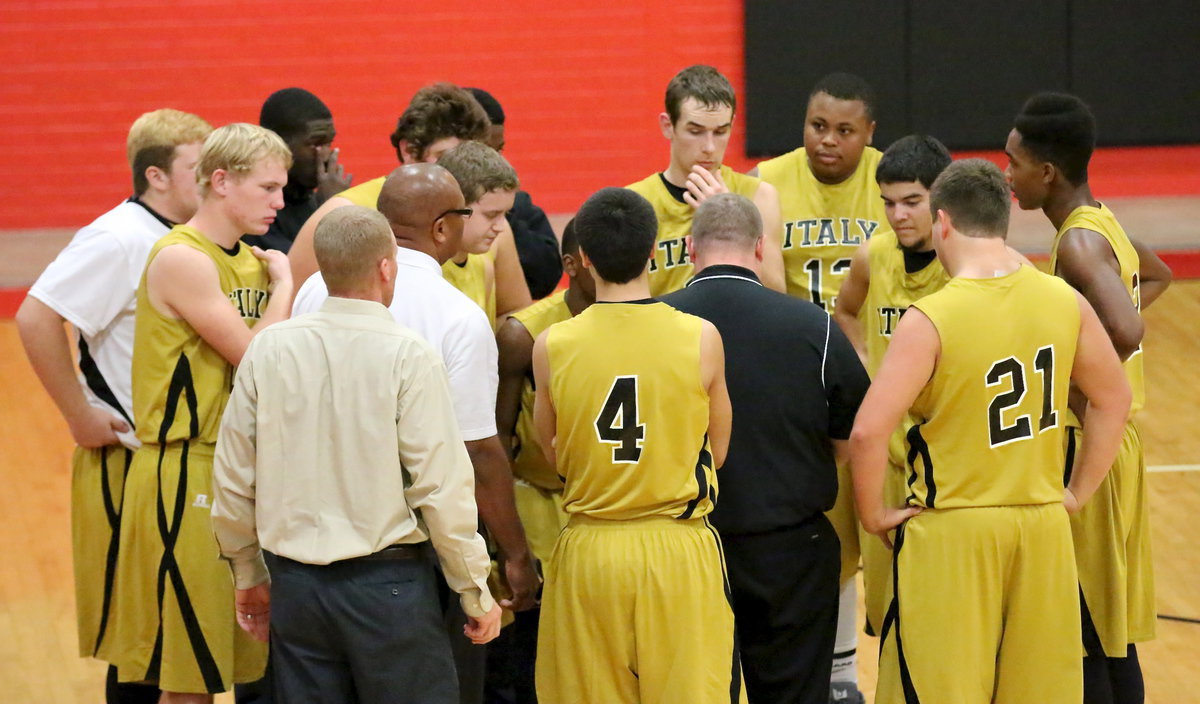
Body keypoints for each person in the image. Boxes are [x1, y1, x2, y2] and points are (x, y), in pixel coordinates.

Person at [850, 158, 1132, 704]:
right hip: (1043, 529)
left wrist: (873, 515)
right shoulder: (1063, 300)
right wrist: (1076, 494)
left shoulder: (930, 317)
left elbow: (867, 433)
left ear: (943, 223)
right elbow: (1113, 398)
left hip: (955, 531)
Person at [211, 206, 502, 704]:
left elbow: (234, 475)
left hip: (295, 588)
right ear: (386, 268)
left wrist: (247, 571)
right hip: (387, 590)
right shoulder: (409, 354)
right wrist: (473, 588)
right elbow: (441, 487)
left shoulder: (268, 349)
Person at [291, 164, 538, 704]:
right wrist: (515, 552)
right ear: (443, 228)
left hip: (307, 554)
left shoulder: (314, 290)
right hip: (407, 564)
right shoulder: (458, 316)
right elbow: (477, 452)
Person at [15, 108, 211, 704]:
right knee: (142, 642)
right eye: (197, 168)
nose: (211, 179)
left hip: (177, 463)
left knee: (172, 635)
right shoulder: (119, 236)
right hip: (130, 461)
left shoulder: (188, 237)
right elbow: (36, 317)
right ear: (156, 175)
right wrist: (78, 413)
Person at [531, 187, 744, 704]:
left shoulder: (551, 344)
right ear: (653, 250)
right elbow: (717, 451)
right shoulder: (701, 337)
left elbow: (553, 453)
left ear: (583, 257)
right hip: (677, 547)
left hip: (590, 549)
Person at [104, 123, 293, 702]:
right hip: (185, 472)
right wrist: (286, 285)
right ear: (222, 181)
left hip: (238, 465)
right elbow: (258, 359)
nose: (279, 202)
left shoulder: (251, 261)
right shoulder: (182, 258)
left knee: (227, 663)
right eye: (268, 188)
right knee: (189, 680)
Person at [660, 193, 869, 703]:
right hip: (791, 552)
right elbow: (851, 435)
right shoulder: (814, 325)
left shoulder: (657, 324)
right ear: (760, 248)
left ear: (691, 249)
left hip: (686, 545)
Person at [1006, 92, 1173, 704]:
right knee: (1107, 628)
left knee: (1087, 631)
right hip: (1114, 442)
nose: (1007, 174)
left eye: (1014, 162)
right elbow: (1156, 274)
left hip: (1090, 444)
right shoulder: (1100, 222)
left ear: (1047, 172)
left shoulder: (1077, 245)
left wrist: (1077, 378)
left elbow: (1127, 328)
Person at [752, 72, 888, 696]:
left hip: (879, 381)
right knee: (826, 535)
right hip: (802, 376)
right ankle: (838, 676)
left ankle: (863, 667)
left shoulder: (893, 184)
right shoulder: (768, 182)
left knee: (876, 535)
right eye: (817, 126)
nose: (828, 140)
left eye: (844, 130)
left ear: (869, 133)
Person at [832, 135, 953, 638]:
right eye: (888, 203)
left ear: (942, 198)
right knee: (887, 616)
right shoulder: (873, 255)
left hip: (946, 464)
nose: (898, 215)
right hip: (887, 460)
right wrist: (864, 364)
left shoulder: (961, 266)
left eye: (911, 202)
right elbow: (844, 310)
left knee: (941, 617)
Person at [289, 83, 532, 319]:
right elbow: (290, 313)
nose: (458, 172)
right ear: (409, 150)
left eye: (470, 159)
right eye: (445, 156)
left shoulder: (488, 220)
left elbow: (513, 312)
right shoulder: (344, 214)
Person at [488, 218, 595, 703]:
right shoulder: (522, 334)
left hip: (607, 506)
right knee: (534, 654)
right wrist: (504, 539)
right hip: (538, 501)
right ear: (571, 265)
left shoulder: (645, 321)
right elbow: (495, 438)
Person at [626, 64, 784, 295]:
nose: (709, 147)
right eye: (696, 131)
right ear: (668, 126)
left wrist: (728, 216)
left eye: (720, 132)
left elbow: (776, 293)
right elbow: (621, 301)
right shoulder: (634, 205)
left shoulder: (759, 196)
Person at [467, 87, 563, 299]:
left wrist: (499, 214)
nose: (494, 162)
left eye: (498, 150)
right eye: (483, 150)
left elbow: (547, 277)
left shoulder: (517, 208)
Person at [249, 87, 352, 252]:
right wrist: (332, 212)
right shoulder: (257, 209)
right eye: (315, 144)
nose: (326, 155)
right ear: (279, 143)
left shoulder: (312, 200)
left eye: (329, 143)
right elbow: (296, 264)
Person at [436, 141, 521, 327]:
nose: (500, 227)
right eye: (491, 215)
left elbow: (517, 311)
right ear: (453, 208)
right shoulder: (427, 271)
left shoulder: (488, 249)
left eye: (505, 214)